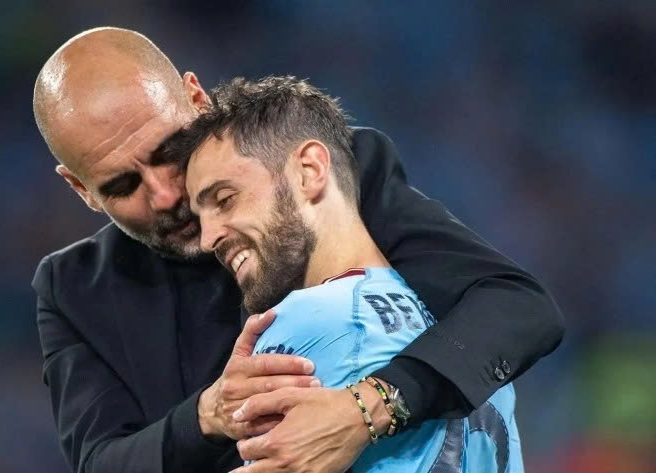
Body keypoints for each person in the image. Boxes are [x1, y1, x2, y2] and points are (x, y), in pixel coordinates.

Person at [31, 27, 563, 472]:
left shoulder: (330, 175)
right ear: (81, 190)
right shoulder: (72, 290)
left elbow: (515, 309)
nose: (167, 195)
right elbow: (100, 462)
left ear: (197, 99)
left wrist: (365, 409)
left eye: (169, 151)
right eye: (123, 186)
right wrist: (207, 416)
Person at [181, 75, 524, 472]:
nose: (208, 238)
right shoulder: (464, 335)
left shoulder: (299, 326)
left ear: (309, 170)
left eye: (225, 199)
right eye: (199, 217)